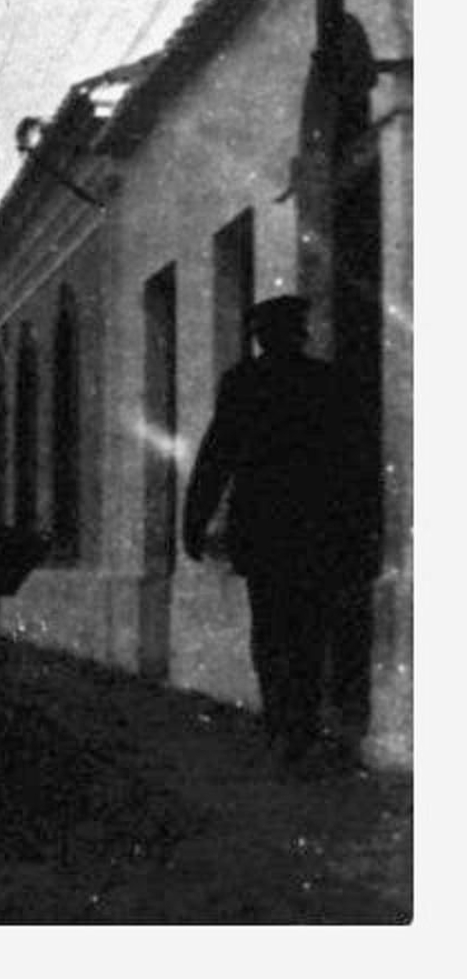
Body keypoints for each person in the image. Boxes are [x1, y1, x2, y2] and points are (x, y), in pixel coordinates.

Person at [182, 295, 376, 778]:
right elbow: (355, 461)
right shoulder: (327, 381)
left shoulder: (243, 382)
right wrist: (360, 528)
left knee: (271, 630)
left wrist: (194, 519)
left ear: (261, 337)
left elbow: (216, 455)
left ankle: (280, 724)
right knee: (308, 631)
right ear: (299, 333)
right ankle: (301, 727)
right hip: (317, 528)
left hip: (265, 530)